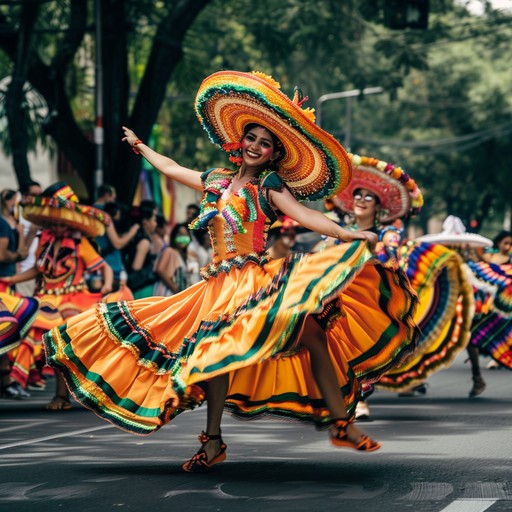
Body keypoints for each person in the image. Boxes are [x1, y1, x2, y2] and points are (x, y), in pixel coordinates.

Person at [43, 71, 420, 471]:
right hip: (216, 285)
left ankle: (341, 422)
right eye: (253, 139)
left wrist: (348, 232)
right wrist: (141, 148)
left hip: (255, 278)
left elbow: (308, 215)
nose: (257, 146)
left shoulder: (270, 186)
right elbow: (172, 168)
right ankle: (214, 440)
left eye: (266, 143)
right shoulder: (215, 181)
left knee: (311, 332)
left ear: (275, 153)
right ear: (239, 142)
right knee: (214, 354)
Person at [2, 182, 113, 409]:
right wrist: (11, 280)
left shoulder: (81, 243)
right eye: (53, 221)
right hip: (45, 297)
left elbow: (105, 269)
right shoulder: (44, 240)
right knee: (26, 321)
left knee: (63, 340)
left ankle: (62, 395)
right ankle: (10, 375)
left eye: (60, 221)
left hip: (74, 299)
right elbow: (38, 270)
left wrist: (106, 289)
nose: (57, 226)